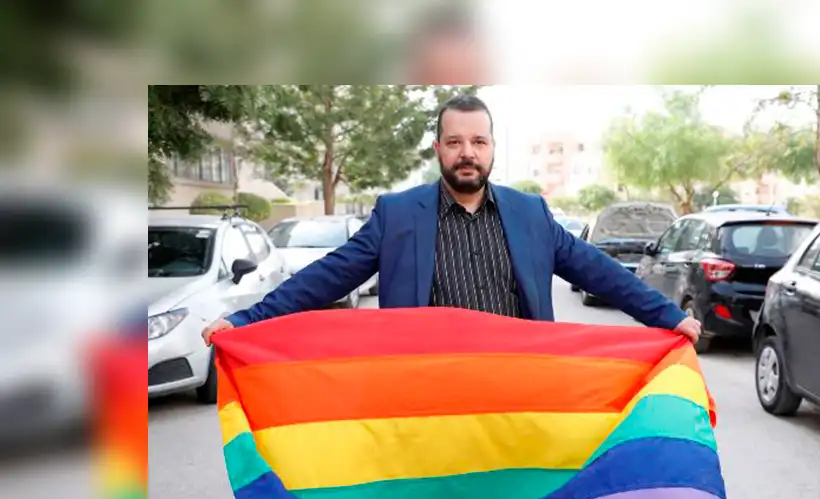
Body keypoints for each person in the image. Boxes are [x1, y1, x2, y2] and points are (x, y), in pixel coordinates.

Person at [202, 95, 701, 344]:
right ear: (438, 148)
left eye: (478, 142)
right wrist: (246, 319)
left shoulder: (530, 214)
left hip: (520, 393)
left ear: (492, 148)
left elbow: (602, 273)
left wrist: (670, 317)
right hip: (429, 397)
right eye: (455, 142)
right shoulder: (397, 215)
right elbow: (325, 277)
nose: (468, 153)